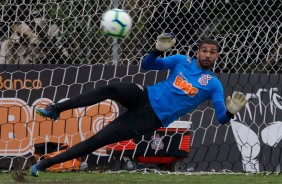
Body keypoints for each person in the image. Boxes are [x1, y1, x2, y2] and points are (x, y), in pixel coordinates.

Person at [31, 33, 247, 176]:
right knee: (112, 89)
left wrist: (230, 112)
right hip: (144, 95)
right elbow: (147, 66)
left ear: (217, 56)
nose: (207, 54)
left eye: (212, 52)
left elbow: (221, 119)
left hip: (149, 119)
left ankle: (45, 164)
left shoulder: (213, 85)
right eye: (204, 50)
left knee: (98, 140)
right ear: (197, 51)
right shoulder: (181, 60)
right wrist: (156, 50)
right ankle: (55, 109)